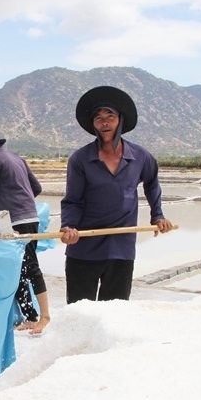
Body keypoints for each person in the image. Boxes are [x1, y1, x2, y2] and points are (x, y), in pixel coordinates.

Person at [59, 86, 174, 303]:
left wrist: (157, 215)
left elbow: (152, 183)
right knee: (80, 312)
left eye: (110, 116)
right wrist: (69, 226)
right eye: (98, 118)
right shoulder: (81, 159)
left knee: (115, 315)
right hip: (85, 246)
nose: (104, 122)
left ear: (120, 120)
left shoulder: (140, 156)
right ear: (93, 124)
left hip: (121, 247)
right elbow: (73, 200)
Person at [0, 133, 51, 334]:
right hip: (31, 217)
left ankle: (44, 317)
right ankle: (30, 316)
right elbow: (37, 187)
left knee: (29, 266)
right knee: (18, 267)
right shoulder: (16, 158)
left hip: (16, 221)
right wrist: (21, 198)